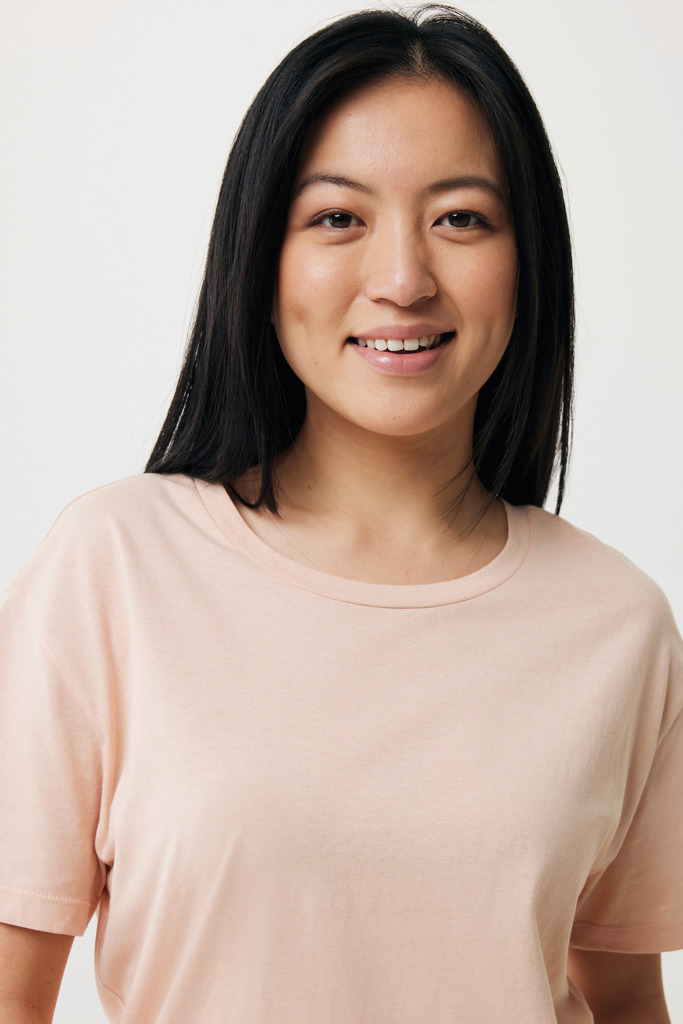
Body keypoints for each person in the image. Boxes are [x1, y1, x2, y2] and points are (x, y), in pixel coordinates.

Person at [0, 5, 681, 1022]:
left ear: (528, 257)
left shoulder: (617, 623)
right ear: (259, 258)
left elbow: (624, 1000)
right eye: (336, 218)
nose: (402, 280)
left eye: (460, 218)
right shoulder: (114, 567)